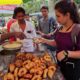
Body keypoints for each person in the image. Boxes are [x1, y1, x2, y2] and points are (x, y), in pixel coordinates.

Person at [36, 1, 80, 80]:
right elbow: (57, 43)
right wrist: (44, 40)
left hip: (72, 68)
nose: (56, 19)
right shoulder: (60, 28)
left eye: (58, 16)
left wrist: (67, 53)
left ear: (67, 15)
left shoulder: (77, 30)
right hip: (60, 65)